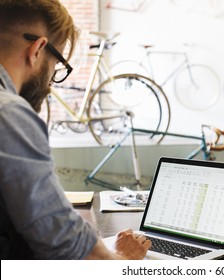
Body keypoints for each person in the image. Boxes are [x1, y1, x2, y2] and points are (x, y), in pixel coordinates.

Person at [0, 0, 151, 259]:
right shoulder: (9, 113)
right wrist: (122, 260)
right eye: (57, 67)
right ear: (37, 50)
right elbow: (68, 248)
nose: (51, 82)